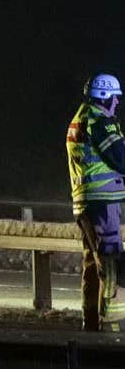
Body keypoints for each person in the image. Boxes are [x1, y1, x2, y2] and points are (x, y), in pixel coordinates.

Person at [67, 74, 125, 331]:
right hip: (102, 202)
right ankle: (112, 322)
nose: (117, 103)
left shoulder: (81, 118)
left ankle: (90, 320)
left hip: (85, 202)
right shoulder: (99, 122)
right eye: (115, 98)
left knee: (92, 262)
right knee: (111, 263)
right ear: (104, 97)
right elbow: (120, 157)